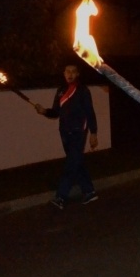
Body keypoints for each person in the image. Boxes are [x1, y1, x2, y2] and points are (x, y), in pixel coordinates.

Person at [34, 63, 99, 209]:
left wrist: (93, 132)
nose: (70, 74)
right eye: (67, 71)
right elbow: (56, 112)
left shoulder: (83, 90)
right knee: (76, 162)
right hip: (64, 132)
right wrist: (44, 111)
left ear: (77, 74)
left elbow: (90, 112)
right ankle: (89, 191)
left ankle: (60, 197)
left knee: (70, 165)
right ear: (64, 74)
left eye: (73, 72)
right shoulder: (61, 91)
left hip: (79, 132)